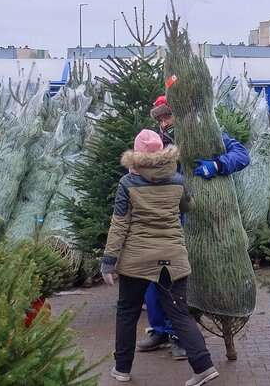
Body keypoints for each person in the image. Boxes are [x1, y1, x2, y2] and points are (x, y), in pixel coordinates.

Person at [101, 129, 219, 386]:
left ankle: (121, 369)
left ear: (136, 155)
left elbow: (119, 224)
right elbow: (188, 206)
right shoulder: (177, 180)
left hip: (136, 260)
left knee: (127, 312)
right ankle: (204, 366)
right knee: (179, 314)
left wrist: (109, 261)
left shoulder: (128, 184)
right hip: (172, 257)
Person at [140, 95, 250, 359]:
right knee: (155, 276)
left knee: (183, 279)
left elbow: (241, 155)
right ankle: (160, 330)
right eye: (161, 118)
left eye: (168, 116)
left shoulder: (207, 134)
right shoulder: (156, 142)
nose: (165, 122)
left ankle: (181, 334)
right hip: (166, 218)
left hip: (198, 219)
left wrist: (217, 165)